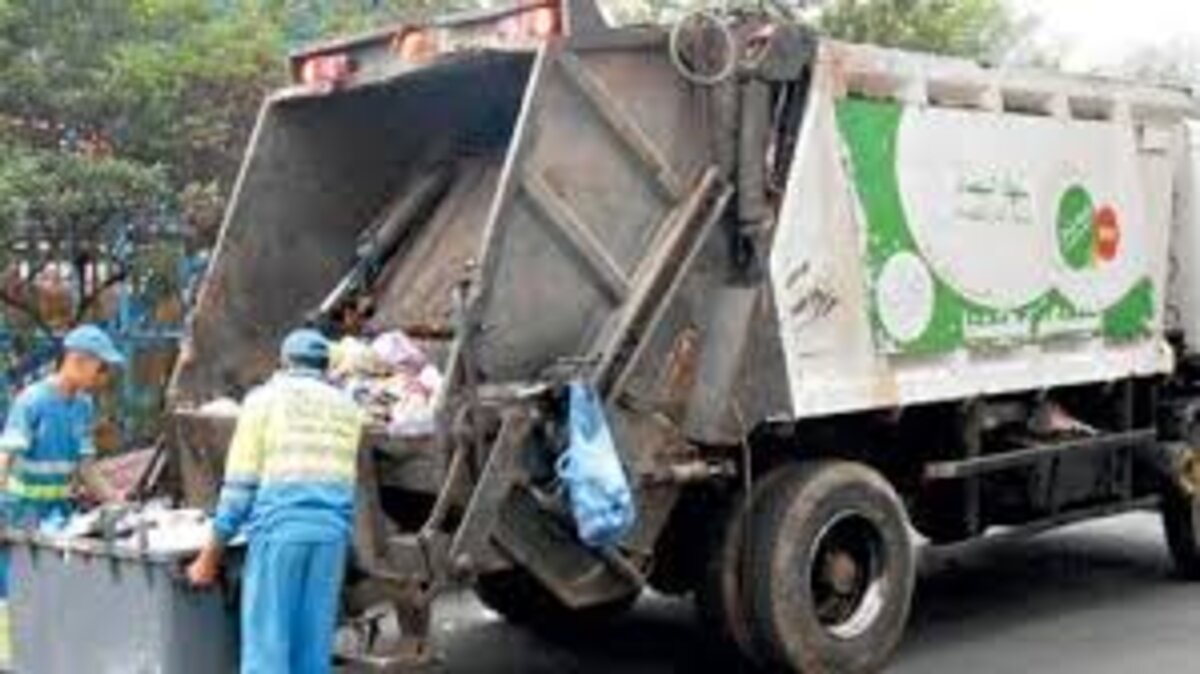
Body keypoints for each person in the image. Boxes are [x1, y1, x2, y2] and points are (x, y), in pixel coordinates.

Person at [188, 329, 365, 674]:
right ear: (325, 366)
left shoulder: (263, 401)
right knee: (312, 656)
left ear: (283, 363)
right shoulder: (349, 408)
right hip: (331, 540)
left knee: (267, 654)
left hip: (280, 537)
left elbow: (239, 491)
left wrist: (209, 558)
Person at [0, 324, 127, 595]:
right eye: (101, 367)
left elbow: (86, 468)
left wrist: (117, 501)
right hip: (21, 515)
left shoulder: (83, 406)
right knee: (18, 596)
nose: (104, 377)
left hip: (59, 515)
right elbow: (5, 459)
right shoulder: (31, 401)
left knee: (53, 597)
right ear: (77, 361)